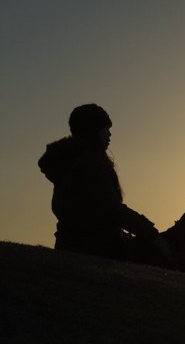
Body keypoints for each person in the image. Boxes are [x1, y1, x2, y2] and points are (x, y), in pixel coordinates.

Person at [38, 104, 168, 261]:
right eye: (105, 128)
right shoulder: (90, 163)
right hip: (96, 250)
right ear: (92, 131)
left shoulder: (70, 163)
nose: (110, 134)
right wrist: (151, 234)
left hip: (69, 245)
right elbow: (111, 209)